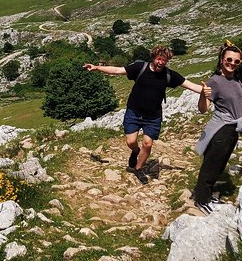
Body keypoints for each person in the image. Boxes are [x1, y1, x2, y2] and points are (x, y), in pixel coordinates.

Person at [84, 45, 204, 184]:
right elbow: (118, 70)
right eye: (159, 59)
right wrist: (97, 68)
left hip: (153, 116)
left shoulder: (169, 75)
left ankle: (138, 168)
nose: (161, 62)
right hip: (134, 112)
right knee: (131, 142)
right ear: (154, 57)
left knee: (147, 144)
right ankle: (135, 151)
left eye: (164, 60)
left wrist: (208, 91)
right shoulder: (140, 67)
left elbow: (190, 85)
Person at [192, 40, 242, 214]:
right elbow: (203, 110)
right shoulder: (215, 81)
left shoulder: (235, 81)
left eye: (236, 61)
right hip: (221, 127)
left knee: (220, 164)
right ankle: (201, 200)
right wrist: (203, 96)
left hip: (233, 127)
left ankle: (207, 194)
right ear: (222, 60)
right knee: (211, 164)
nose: (232, 64)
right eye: (229, 60)